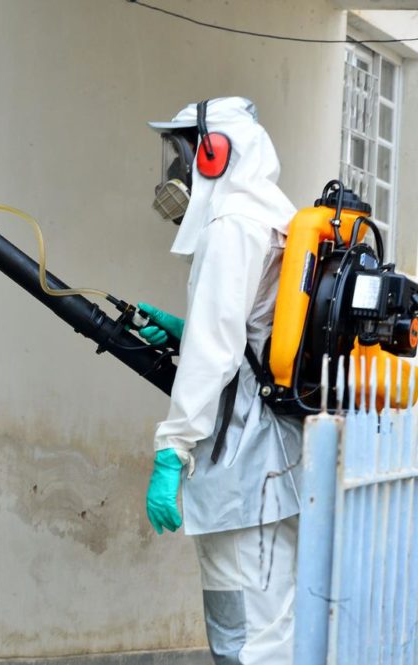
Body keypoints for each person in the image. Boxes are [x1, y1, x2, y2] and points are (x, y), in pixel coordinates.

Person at [138, 96, 303, 665]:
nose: (177, 167)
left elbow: (217, 350)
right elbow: (252, 330)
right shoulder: (273, 215)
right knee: (274, 624)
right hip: (277, 459)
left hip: (244, 464)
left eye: (184, 151)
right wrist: (189, 331)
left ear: (213, 154)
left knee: (244, 637)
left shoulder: (235, 223)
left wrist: (172, 447)